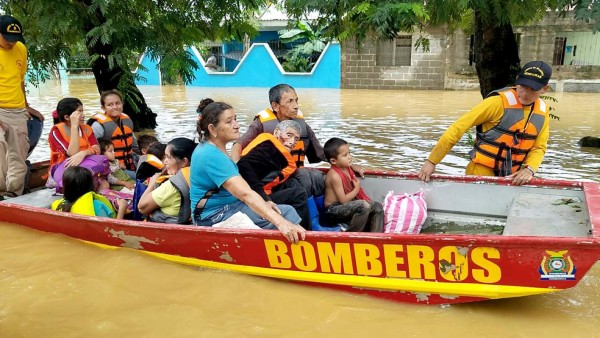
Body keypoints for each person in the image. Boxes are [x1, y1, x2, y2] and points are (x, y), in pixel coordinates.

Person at [418, 61, 552, 186]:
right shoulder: (496, 103)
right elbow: (458, 128)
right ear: (517, 79)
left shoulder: (542, 111)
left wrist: (529, 169)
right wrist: (432, 161)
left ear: (544, 89)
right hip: (480, 172)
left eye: (532, 89)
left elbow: (538, 148)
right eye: (522, 86)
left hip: (512, 177)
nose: (525, 93)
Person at [189, 99, 306, 243]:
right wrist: (280, 223)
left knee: (286, 211)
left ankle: (307, 239)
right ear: (212, 129)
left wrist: (266, 204)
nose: (237, 125)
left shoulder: (217, 148)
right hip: (214, 215)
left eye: (235, 120)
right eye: (229, 122)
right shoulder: (210, 155)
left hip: (233, 206)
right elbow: (245, 193)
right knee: (275, 226)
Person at [237, 120, 312, 230]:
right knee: (298, 194)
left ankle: (305, 222)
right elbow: (243, 166)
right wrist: (265, 198)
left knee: (293, 183)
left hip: (260, 191)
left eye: (296, 139)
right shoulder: (268, 147)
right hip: (252, 197)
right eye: (289, 135)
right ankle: (306, 232)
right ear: (276, 132)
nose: (292, 142)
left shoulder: (276, 151)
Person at [0, 15, 44, 198]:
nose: (11, 43)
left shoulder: (20, 49)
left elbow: (20, 80)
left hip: (17, 109)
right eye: (7, 39)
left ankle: (12, 194)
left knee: (18, 153)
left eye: (15, 40)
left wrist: (26, 106)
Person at [323, 137, 383, 232]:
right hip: (333, 210)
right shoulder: (334, 175)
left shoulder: (347, 168)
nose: (350, 157)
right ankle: (352, 237)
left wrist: (357, 168)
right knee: (363, 206)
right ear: (334, 161)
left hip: (345, 206)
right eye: (345, 155)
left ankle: (376, 237)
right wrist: (356, 188)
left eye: (349, 153)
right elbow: (343, 200)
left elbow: (350, 165)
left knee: (377, 206)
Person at [138, 137, 196, 224]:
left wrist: (152, 184)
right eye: (165, 157)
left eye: (168, 157)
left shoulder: (172, 186)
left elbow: (141, 208)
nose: (165, 162)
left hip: (167, 230)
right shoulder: (197, 174)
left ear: (184, 161)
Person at [88, 89, 139, 173]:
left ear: (122, 104)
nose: (115, 107)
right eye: (110, 105)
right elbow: (94, 151)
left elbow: (134, 145)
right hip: (112, 167)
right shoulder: (98, 126)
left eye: (118, 103)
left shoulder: (127, 121)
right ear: (103, 108)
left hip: (130, 163)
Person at [51, 166, 128, 219]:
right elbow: (112, 232)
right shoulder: (97, 205)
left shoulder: (59, 206)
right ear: (90, 185)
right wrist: (122, 208)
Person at [48, 98, 100, 170]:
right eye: (79, 112)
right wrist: (74, 126)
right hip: (65, 169)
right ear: (67, 117)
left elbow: (96, 148)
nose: (83, 115)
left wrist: (83, 153)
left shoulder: (87, 128)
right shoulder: (56, 131)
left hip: (87, 163)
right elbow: (72, 153)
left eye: (82, 111)